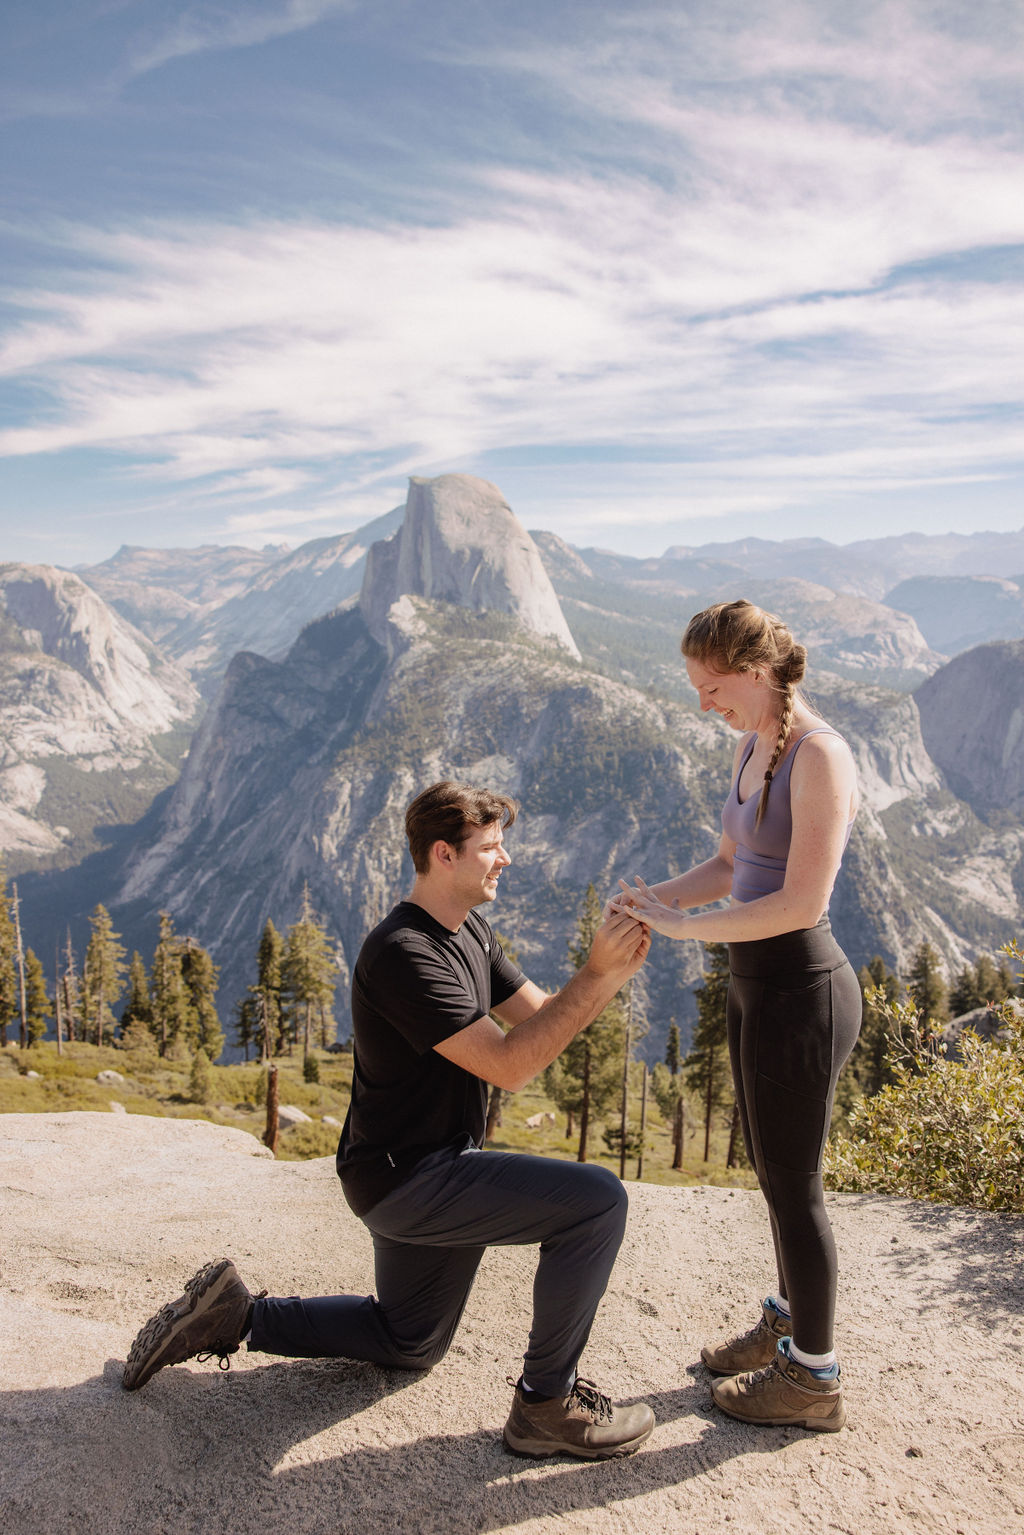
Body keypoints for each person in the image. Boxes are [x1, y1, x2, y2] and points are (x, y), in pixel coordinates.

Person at [122, 781, 655, 1461]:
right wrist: (596, 972)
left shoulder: (470, 932)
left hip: (423, 1169)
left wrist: (608, 974)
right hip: (412, 1178)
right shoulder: (403, 951)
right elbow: (512, 1064)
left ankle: (236, 1314)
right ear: (443, 853)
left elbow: (542, 1018)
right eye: (492, 847)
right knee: (597, 1203)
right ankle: (546, 1403)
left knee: (411, 1341)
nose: (507, 859)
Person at [612, 599, 861, 1433]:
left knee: (797, 1187)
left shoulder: (819, 755)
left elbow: (801, 899)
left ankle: (813, 1381)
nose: (703, 703)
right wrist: (657, 900)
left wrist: (690, 929)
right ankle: (791, 1324)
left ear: (755, 671)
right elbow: (730, 863)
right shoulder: (758, 744)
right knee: (774, 1175)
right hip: (758, 986)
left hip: (803, 990)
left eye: (711, 685)